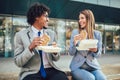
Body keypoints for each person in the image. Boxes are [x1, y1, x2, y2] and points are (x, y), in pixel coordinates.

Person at [14, 2, 68, 80]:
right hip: (31, 72)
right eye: (45, 16)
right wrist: (30, 48)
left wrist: (55, 52)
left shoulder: (51, 34)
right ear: (37, 17)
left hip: (50, 69)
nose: (48, 19)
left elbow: (56, 59)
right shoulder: (21, 35)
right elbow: (18, 62)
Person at [69, 9, 107, 80]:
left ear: (89, 19)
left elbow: (98, 55)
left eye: (82, 18)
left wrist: (95, 50)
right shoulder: (75, 33)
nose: (79, 20)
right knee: (90, 78)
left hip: (93, 66)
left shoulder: (97, 34)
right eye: (79, 18)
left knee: (102, 78)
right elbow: (71, 53)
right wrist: (74, 43)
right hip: (77, 66)